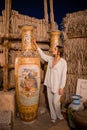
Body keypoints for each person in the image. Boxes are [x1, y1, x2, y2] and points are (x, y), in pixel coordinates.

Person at [33, 39, 67, 123]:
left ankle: (59, 115)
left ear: (59, 52)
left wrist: (61, 87)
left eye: (55, 49)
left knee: (56, 102)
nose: (53, 50)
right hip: (49, 84)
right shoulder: (51, 59)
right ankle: (53, 116)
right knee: (51, 102)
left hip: (57, 85)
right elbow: (42, 55)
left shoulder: (63, 63)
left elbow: (64, 76)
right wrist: (35, 43)